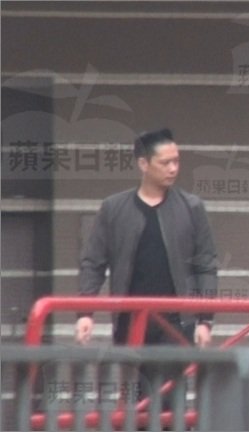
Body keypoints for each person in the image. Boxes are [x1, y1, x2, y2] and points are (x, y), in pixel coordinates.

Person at [75, 128, 218, 406]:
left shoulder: (191, 207)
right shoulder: (114, 208)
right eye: (165, 162)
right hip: (130, 320)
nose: (173, 169)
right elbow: (93, 262)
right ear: (143, 164)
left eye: (177, 161)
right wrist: (85, 313)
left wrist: (205, 319)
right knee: (135, 401)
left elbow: (206, 265)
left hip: (176, 322)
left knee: (170, 401)